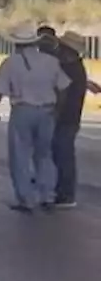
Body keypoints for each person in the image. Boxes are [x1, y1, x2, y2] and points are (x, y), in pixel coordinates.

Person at [0, 24, 71, 214]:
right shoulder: (51, 61)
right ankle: (47, 195)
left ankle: (26, 199)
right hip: (47, 111)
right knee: (44, 154)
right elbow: (64, 87)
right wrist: (58, 109)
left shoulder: (10, 62)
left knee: (20, 155)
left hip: (23, 110)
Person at [38, 28, 101, 208]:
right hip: (68, 117)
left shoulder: (71, 68)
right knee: (60, 154)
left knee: (63, 155)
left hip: (67, 117)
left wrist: (55, 112)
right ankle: (61, 191)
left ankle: (66, 194)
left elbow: (63, 93)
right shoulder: (71, 66)